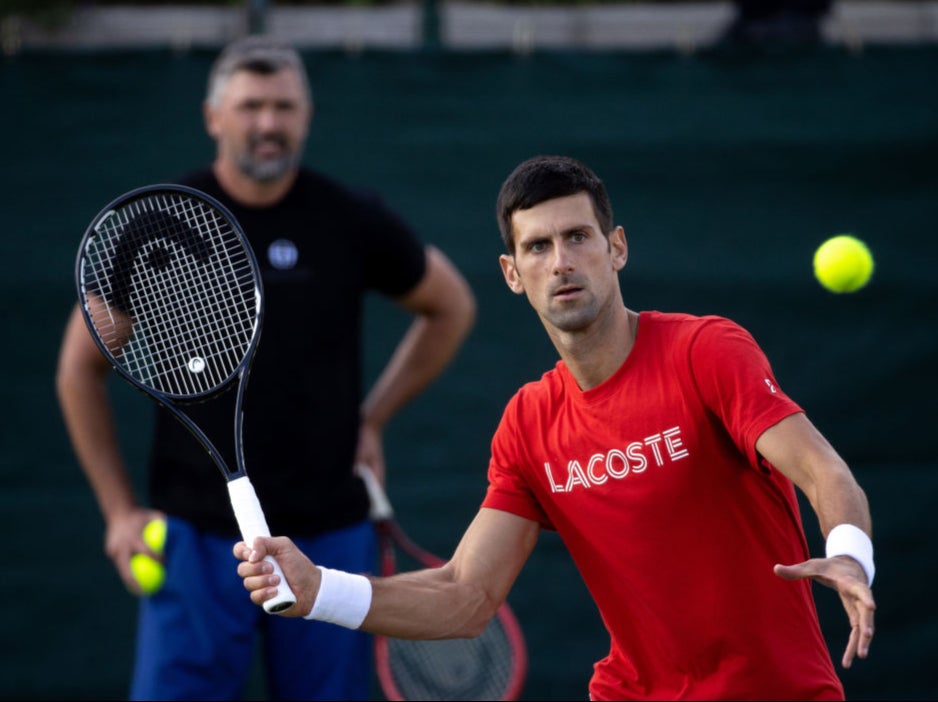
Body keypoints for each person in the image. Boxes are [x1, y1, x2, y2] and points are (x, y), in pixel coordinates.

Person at [234, 155, 878, 700]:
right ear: (513, 273)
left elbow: (822, 469)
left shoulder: (705, 352)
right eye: (538, 247)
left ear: (616, 247)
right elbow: (466, 595)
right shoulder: (528, 423)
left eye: (578, 237)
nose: (561, 261)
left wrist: (850, 553)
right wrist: (317, 590)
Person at [55, 35, 476, 701]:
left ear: (307, 116)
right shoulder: (155, 224)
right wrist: (117, 512)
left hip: (330, 535)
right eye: (250, 106)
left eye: (284, 107)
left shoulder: (349, 217)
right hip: (194, 540)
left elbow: (450, 306)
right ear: (213, 116)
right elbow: (77, 369)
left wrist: (372, 419)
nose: (268, 123)